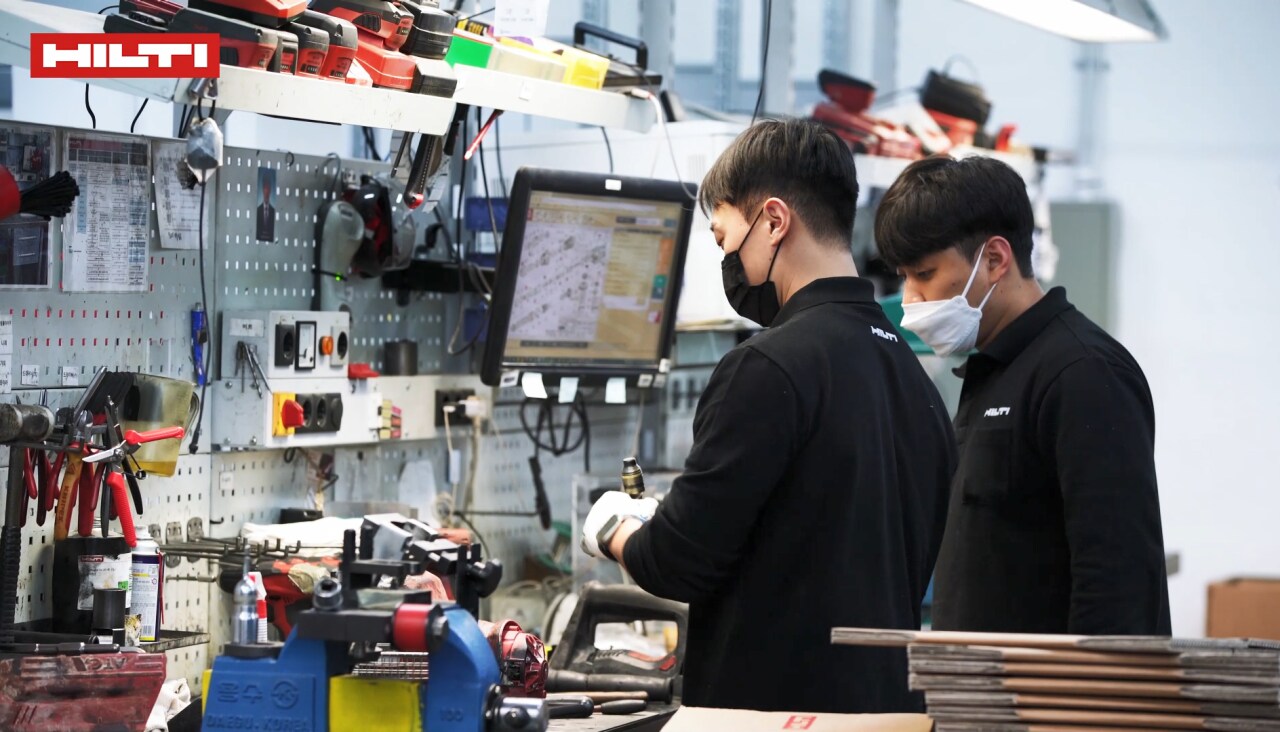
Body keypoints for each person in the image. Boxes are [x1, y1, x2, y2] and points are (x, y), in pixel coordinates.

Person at [580, 119, 956, 713]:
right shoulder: (915, 377)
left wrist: (613, 529)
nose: (727, 258)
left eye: (724, 238)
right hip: (886, 711)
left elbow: (676, 564)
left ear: (775, 221)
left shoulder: (767, 368)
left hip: (778, 715)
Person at [873, 154, 1171, 635]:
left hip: (1049, 685)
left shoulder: (1084, 373)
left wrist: (1086, 686)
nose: (910, 300)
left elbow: (1118, 581)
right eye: (904, 276)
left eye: (924, 274)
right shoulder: (992, 369)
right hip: (978, 681)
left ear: (994, 259)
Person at [256, 172, 275, 242]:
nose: (266, 191)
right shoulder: (257, 211)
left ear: (270, 190)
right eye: (265, 188)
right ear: (262, 189)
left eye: (268, 188)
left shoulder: (273, 211)